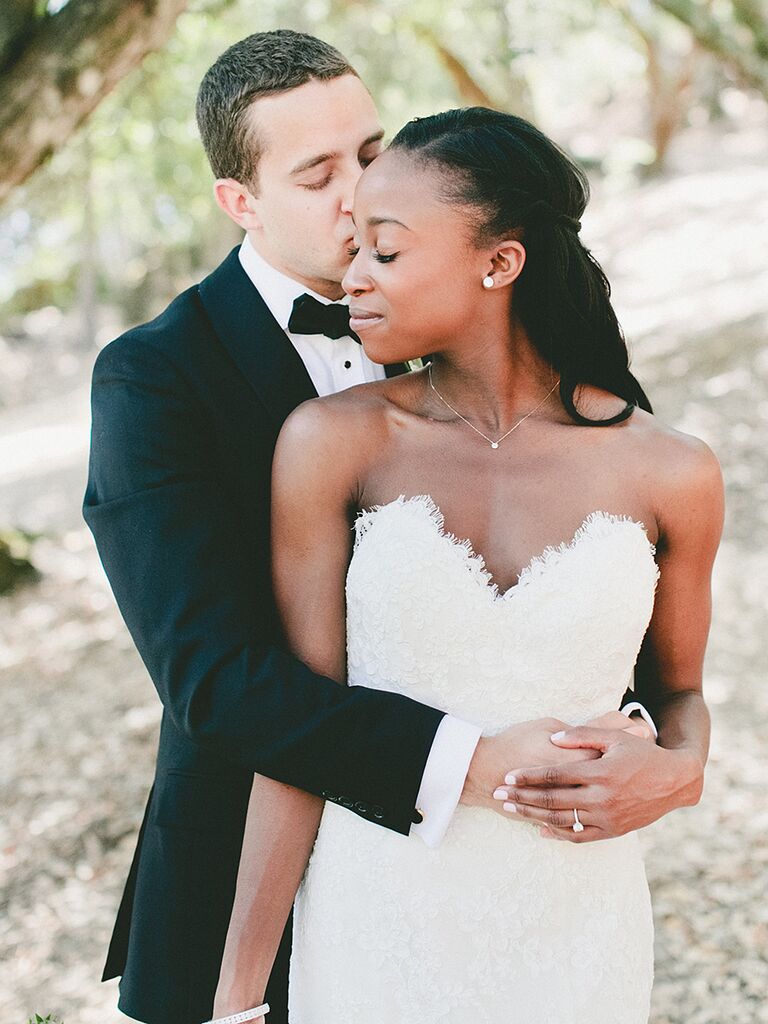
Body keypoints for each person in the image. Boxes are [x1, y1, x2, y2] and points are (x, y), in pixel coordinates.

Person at [83, 32, 692, 1024]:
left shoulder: (501, 324)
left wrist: (645, 750)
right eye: (318, 173)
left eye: (370, 153)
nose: (361, 191)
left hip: (514, 875)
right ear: (240, 202)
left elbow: (611, 557)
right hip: (250, 882)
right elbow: (214, 681)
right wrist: (481, 759)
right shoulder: (155, 379)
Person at [213, 108, 722, 1024]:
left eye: (386, 252)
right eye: (354, 248)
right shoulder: (334, 443)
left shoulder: (673, 471)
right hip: (376, 923)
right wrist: (239, 1002)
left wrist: (682, 770)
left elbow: (678, 692)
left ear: (500, 262)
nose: (351, 277)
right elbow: (298, 736)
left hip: (578, 929)